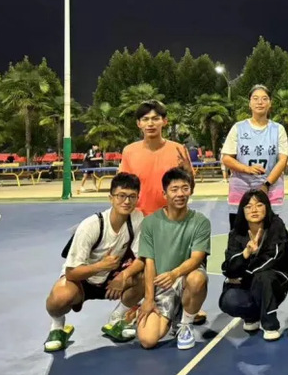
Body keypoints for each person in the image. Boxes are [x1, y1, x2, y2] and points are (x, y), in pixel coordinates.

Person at [43, 172, 145, 352]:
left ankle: (117, 319)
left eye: (132, 196)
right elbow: (71, 273)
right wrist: (100, 266)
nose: (127, 201)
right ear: (111, 198)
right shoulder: (91, 226)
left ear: (137, 198)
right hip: (82, 280)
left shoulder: (136, 219)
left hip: (111, 278)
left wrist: (123, 275)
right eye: (121, 196)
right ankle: (57, 327)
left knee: (146, 275)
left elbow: (141, 258)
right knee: (59, 299)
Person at [136, 167, 211, 350]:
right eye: (174, 189)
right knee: (147, 340)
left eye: (185, 188)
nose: (180, 194)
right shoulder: (150, 223)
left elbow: (197, 258)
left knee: (197, 278)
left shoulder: (201, 222)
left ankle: (186, 324)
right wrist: (148, 299)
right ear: (164, 193)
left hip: (184, 279)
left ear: (191, 190)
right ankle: (175, 313)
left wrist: (174, 274)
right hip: (162, 284)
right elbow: (149, 263)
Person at [220, 189, 288, 341]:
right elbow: (228, 268)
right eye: (248, 206)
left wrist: (245, 275)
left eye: (259, 205)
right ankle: (252, 316)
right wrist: (246, 253)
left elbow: (273, 258)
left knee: (263, 276)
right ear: (242, 211)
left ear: (267, 207)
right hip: (249, 284)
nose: (254, 210)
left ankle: (270, 324)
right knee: (228, 300)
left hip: (275, 283)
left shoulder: (276, 226)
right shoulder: (236, 234)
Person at [221, 85, 288, 229]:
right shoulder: (238, 128)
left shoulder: (278, 129)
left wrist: (266, 185)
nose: (260, 102)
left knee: (270, 233)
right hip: (241, 189)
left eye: (264, 99)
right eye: (255, 98)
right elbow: (226, 158)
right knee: (239, 233)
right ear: (249, 103)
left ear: (270, 103)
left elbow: (283, 160)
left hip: (271, 190)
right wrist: (247, 169)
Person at [119, 100, 195, 216]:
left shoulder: (179, 150)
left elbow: (189, 190)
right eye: (145, 119)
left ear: (164, 121)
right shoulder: (129, 151)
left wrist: (189, 173)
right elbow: (123, 189)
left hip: (171, 217)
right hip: (139, 217)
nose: (150, 123)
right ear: (139, 123)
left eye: (155, 119)